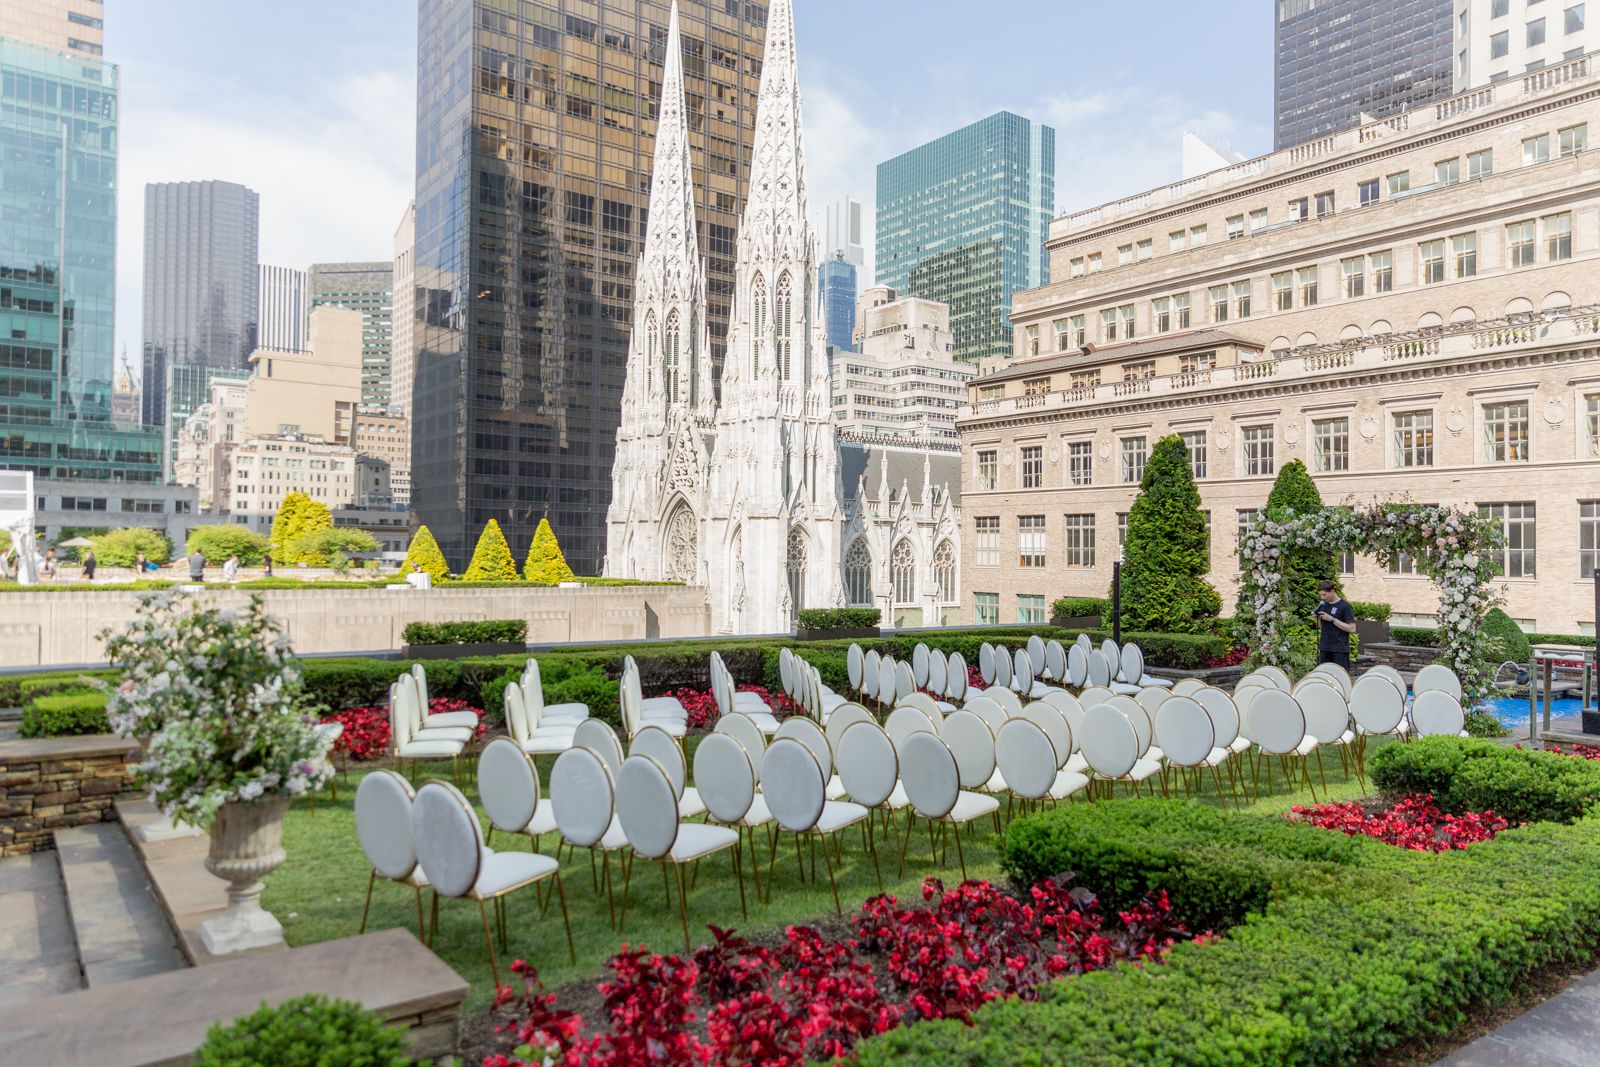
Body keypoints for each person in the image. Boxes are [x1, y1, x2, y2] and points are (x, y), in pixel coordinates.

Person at [1311, 580, 1356, 671]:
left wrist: (1332, 619)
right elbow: (1322, 627)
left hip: (1339, 649)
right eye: (1320, 595)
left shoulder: (1345, 606)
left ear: (1332, 591)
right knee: (1325, 676)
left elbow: (1352, 629)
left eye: (1324, 595)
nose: (1322, 597)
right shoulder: (1323, 605)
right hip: (1325, 647)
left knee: (1341, 676)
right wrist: (1317, 618)